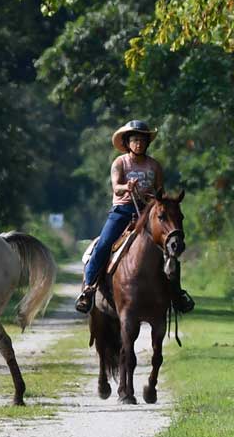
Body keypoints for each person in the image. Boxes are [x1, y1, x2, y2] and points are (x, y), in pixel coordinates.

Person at [75, 119, 188, 313]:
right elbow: (116, 187)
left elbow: (160, 192)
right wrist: (126, 187)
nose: (139, 144)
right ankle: (89, 289)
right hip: (123, 210)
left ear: (147, 143)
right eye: (135, 140)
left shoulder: (154, 166)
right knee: (104, 244)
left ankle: (176, 294)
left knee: (170, 246)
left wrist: (154, 198)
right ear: (127, 143)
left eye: (142, 140)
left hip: (149, 212)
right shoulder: (120, 163)